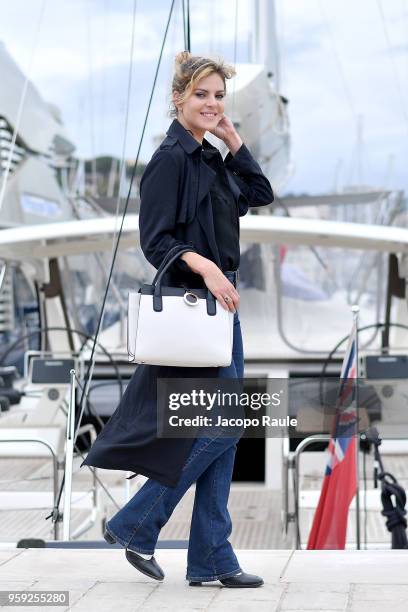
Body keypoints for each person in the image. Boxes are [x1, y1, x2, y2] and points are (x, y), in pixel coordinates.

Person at [82, 51, 274, 588]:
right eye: (202, 96)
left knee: (227, 430)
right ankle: (137, 523)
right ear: (178, 98)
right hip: (196, 311)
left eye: (218, 97)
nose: (212, 105)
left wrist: (233, 140)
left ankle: (211, 558)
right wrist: (207, 266)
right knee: (227, 424)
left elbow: (259, 194)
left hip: (221, 309)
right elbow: (155, 240)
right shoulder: (169, 160)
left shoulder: (210, 156)